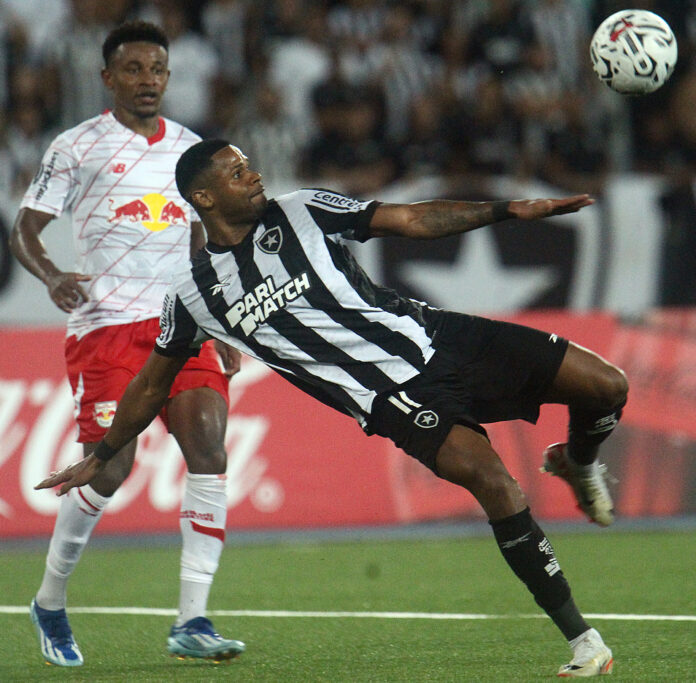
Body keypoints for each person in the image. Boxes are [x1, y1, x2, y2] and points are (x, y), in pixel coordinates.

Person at [38, 139, 628, 678]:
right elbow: (148, 385)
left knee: (607, 385)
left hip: (438, 334)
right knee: (497, 483)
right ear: (204, 196)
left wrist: (503, 210)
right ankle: (583, 640)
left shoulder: (302, 209)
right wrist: (106, 453)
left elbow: (410, 218)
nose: (255, 175)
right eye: (238, 172)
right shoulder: (194, 297)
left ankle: (578, 460)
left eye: (250, 166)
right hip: (391, 396)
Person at [11, 26, 245, 667]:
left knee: (208, 443)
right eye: (134, 68)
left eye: (158, 69)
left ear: (170, 78)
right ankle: (50, 602)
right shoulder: (77, 146)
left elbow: (206, 243)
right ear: (108, 77)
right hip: (107, 328)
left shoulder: (192, 150)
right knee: (110, 469)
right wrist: (54, 274)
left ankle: (192, 620)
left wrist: (221, 323)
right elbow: (25, 229)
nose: (147, 79)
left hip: (181, 323)